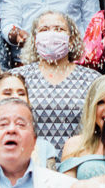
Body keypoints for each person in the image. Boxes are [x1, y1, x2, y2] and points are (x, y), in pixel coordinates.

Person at [14, 10, 99, 155]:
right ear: (35, 40)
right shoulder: (17, 77)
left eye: (59, 29)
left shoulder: (92, 79)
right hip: (30, 163)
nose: (51, 34)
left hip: (77, 162)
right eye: (44, 29)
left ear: (71, 40)